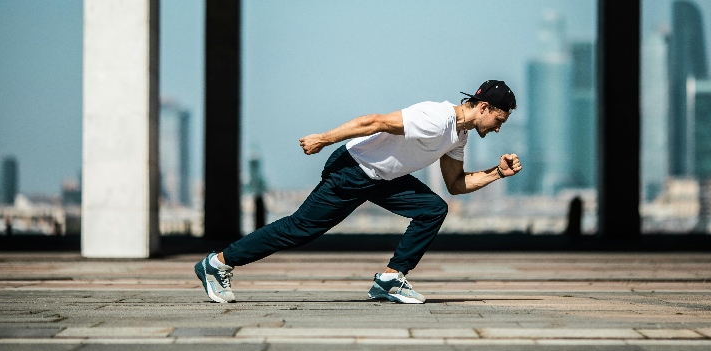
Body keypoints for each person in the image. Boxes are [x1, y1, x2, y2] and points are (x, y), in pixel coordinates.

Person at [195, 79, 522, 304]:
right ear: (483, 106)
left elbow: (456, 184)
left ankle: (390, 279)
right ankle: (218, 263)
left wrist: (496, 173)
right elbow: (374, 121)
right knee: (300, 229)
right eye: (499, 119)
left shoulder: (458, 136)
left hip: (384, 179)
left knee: (433, 208)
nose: (498, 128)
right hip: (353, 169)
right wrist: (323, 139)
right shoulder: (437, 119)